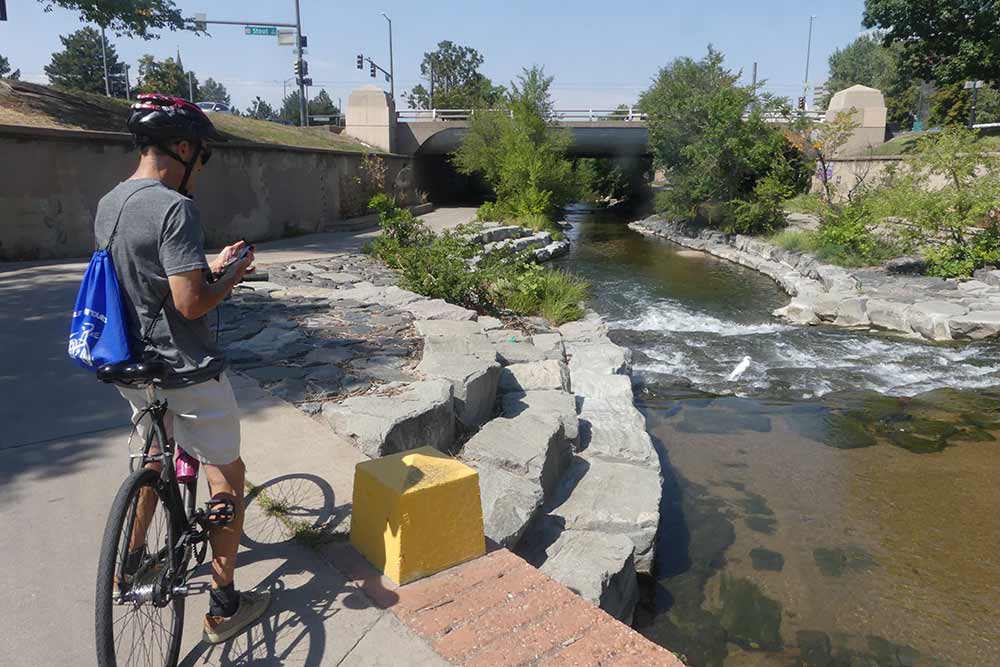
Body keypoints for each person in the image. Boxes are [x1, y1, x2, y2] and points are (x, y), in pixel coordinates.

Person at [94, 93, 269, 645]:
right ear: (183, 148)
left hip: (129, 366)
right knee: (226, 474)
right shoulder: (174, 208)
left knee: (155, 453)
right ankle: (224, 604)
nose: (202, 168)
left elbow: (149, 281)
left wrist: (208, 265)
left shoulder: (110, 202)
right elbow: (190, 305)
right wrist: (232, 275)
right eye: (202, 155)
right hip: (184, 370)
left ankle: (131, 561)